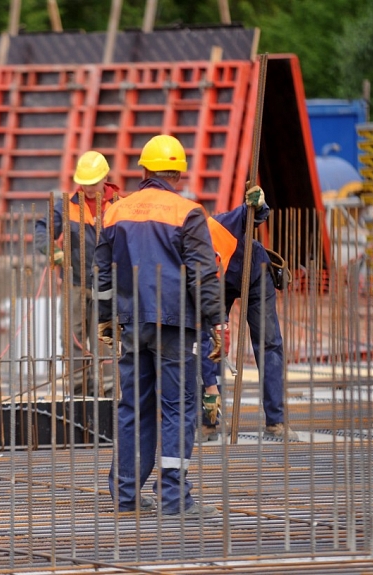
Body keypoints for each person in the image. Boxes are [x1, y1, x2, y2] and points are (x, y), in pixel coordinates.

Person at [94, 134, 228, 518]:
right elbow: (202, 276)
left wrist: (105, 318)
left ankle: (125, 494)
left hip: (132, 322)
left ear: (144, 171)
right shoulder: (188, 212)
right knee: (178, 408)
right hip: (176, 325)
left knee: (133, 406)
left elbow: (103, 271)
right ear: (179, 174)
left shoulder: (117, 211)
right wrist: (216, 323)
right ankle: (173, 497)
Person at [198, 185, 292, 441]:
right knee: (209, 344)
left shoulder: (215, 226)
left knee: (269, 343)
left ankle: (276, 421)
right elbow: (201, 338)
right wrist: (209, 386)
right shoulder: (190, 268)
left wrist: (258, 203)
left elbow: (251, 214)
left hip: (255, 274)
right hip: (218, 286)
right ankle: (209, 420)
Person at [34, 151, 119, 397]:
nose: (89, 188)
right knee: (73, 340)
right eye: (84, 183)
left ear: (105, 178)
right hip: (76, 283)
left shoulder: (118, 205)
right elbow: (43, 227)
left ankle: (110, 393)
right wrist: (52, 251)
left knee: (106, 339)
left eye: (93, 183)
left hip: (109, 286)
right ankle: (80, 393)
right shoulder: (67, 206)